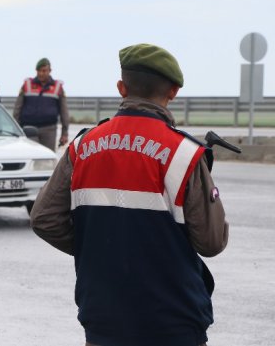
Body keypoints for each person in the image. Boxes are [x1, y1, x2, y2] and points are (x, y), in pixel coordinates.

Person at [30, 43, 229, 346]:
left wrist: (100, 250)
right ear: (174, 91)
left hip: (103, 317)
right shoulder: (184, 153)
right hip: (173, 319)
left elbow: (44, 219)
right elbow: (212, 242)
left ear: (121, 88)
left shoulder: (82, 147)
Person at [13, 58, 69, 151]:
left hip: (49, 130)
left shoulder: (57, 87)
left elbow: (64, 112)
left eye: (44, 71)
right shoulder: (27, 85)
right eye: (39, 71)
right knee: (31, 156)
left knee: (48, 159)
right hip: (29, 129)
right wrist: (15, 128)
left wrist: (64, 133)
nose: (41, 73)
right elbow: (17, 108)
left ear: (50, 71)